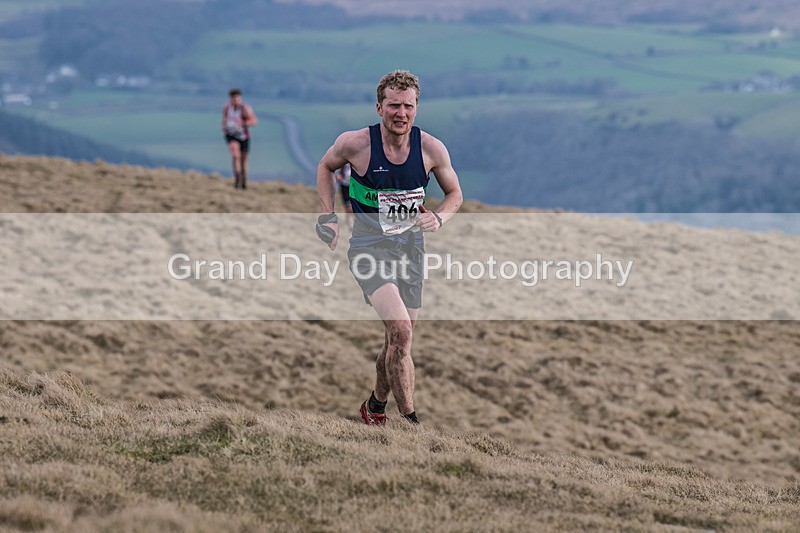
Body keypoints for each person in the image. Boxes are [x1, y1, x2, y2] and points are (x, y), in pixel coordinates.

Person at [316, 70, 463, 426]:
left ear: (416, 108)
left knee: (398, 342)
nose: (401, 113)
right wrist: (327, 216)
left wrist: (439, 218)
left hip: (411, 248)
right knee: (401, 331)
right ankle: (411, 422)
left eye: (408, 106)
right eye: (394, 105)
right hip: (369, 247)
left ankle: (375, 406)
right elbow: (325, 165)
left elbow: (455, 195)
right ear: (379, 107)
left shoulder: (431, 148)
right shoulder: (356, 144)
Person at [222, 88, 258, 190]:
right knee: (235, 155)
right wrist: (225, 126)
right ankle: (237, 179)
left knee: (244, 159)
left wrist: (243, 123)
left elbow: (254, 121)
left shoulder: (245, 108)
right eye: (233, 98)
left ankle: (244, 180)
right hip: (231, 134)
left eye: (237, 98)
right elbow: (224, 120)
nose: (235, 100)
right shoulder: (227, 108)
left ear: (240, 98)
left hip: (243, 135)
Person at [334, 163, 354, 230]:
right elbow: (334, 165)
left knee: (355, 206)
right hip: (344, 184)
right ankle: (350, 225)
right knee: (348, 207)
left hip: (355, 185)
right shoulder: (343, 157)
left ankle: (355, 223)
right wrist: (337, 175)